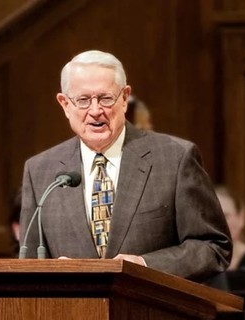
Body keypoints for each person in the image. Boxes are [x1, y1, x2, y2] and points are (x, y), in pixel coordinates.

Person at [19, 50, 231, 281]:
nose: (95, 110)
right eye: (83, 100)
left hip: (153, 311)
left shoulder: (175, 158)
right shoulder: (40, 171)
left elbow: (212, 247)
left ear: (124, 98)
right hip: (73, 315)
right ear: (64, 104)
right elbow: (29, 264)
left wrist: (144, 265)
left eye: (105, 98)